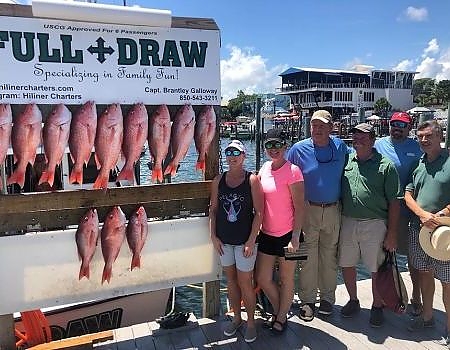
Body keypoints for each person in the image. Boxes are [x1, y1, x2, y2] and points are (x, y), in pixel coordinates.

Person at [287, 110, 350, 320]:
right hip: (306, 210)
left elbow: (360, 158)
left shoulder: (340, 147)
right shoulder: (298, 149)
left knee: (329, 257)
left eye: (322, 125)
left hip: (333, 209)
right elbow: (285, 173)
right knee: (306, 257)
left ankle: (327, 299)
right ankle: (306, 300)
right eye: (314, 125)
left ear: (331, 127)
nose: (317, 129)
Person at [339, 122, 402, 327]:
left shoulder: (386, 165)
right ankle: (353, 299)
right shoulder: (347, 160)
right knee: (347, 263)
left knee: (376, 267)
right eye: (355, 136)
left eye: (364, 136)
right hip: (348, 220)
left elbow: (395, 201)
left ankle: (377, 304)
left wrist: (392, 233)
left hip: (375, 223)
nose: (359, 139)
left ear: (373, 139)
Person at [209, 139, 264, 343]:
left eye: (237, 153)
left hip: (244, 243)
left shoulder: (252, 180)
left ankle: (251, 322)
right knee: (230, 282)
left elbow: (259, 213)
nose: (232, 156)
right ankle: (236, 318)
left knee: (245, 283)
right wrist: (213, 237)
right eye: (229, 152)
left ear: (243, 156)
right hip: (224, 242)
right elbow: (213, 210)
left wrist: (251, 240)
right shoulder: (218, 181)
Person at [404, 120, 450, 344]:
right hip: (417, 230)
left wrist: (440, 215)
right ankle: (428, 316)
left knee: (448, 282)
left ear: (440, 135)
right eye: (420, 136)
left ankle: (449, 327)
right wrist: (423, 215)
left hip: (445, 234)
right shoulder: (417, 163)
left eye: (428, 136)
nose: (423, 140)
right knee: (424, 274)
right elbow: (408, 194)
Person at [256, 128, 305, 334]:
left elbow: (301, 207)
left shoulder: (294, 170)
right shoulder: (264, 168)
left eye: (277, 144)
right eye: (269, 145)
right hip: (267, 233)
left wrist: (295, 237)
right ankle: (279, 311)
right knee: (262, 278)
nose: (273, 149)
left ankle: (281, 317)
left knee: (287, 279)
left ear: (285, 146)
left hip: (290, 235)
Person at [374, 111, 423, 316]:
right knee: (382, 259)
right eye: (394, 124)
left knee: (413, 258)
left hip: (408, 212)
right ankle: (385, 296)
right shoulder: (378, 144)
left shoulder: (417, 147)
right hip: (381, 211)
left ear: (409, 128)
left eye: (402, 125)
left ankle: (416, 297)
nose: (397, 128)